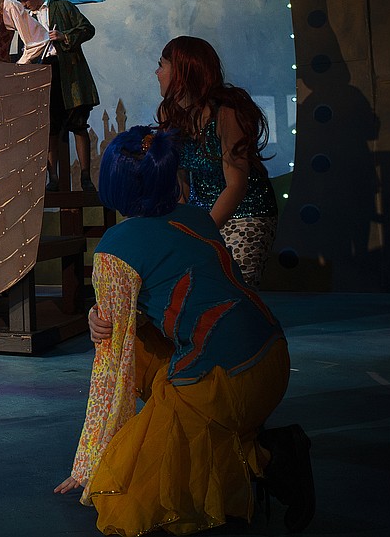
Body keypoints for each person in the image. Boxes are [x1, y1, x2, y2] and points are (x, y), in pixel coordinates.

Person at [54, 126, 314, 536]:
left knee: (126, 501)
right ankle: (257, 447)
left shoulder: (114, 246)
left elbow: (113, 366)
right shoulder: (197, 217)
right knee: (132, 338)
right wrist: (99, 314)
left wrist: (91, 462)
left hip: (222, 383)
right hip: (274, 362)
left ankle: (269, 457)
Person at [155, 36, 279, 288]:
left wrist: (203, 233)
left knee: (232, 289)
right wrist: (185, 226)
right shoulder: (169, 112)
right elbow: (180, 182)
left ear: (182, 71)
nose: (156, 73)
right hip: (202, 214)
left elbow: (236, 185)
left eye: (162, 65)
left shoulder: (226, 113)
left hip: (245, 213)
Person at [10, 0, 100, 192]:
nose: (23, 3)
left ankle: (86, 177)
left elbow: (88, 29)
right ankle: (53, 178)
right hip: (42, 73)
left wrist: (64, 36)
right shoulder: (25, 18)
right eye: (20, 0)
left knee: (78, 124)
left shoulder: (63, 7)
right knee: (49, 127)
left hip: (68, 71)